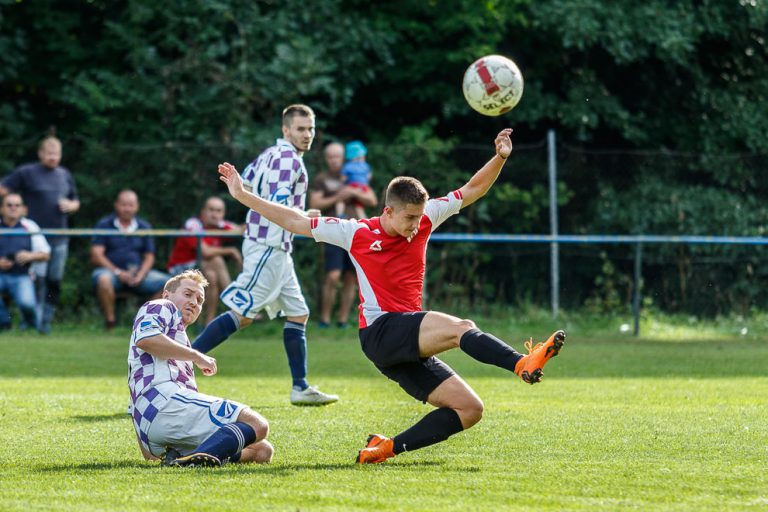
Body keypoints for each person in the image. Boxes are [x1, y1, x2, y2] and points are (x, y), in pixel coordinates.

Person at [217, 128, 566, 464]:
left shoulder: (427, 216)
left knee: (470, 410)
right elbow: (294, 221)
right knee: (461, 328)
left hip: (403, 342)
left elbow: (473, 189)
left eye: (419, 217)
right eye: (409, 218)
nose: (415, 226)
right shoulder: (356, 233)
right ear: (388, 211)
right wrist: (242, 195)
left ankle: (385, 448)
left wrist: (500, 158)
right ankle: (523, 364)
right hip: (381, 332)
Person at [192, 104, 338, 406]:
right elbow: (276, 202)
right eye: (301, 129)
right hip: (268, 248)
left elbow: (245, 185)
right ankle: (174, 370)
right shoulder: (289, 161)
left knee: (299, 313)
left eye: (310, 128)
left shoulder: (269, 154)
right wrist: (304, 218)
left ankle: (300, 387)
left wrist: (300, 214)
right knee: (242, 315)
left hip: (276, 249)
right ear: (286, 130)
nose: (307, 134)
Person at [129, 269, 274, 467]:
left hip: (156, 423)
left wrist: (149, 442)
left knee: (261, 450)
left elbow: (134, 405)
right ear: (167, 294)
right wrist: (197, 356)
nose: (194, 302)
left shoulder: (179, 343)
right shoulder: (161, 306)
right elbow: (146, 339)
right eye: (187, 294)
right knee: (257, 424)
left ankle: (183, 459)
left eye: (199, 300)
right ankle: (192, 462)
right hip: (164, 404)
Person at [0, 136, 80, 334]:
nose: (53, 157)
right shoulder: (27, 172)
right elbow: (3, 188)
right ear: (40, 153)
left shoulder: (64, 174)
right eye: (49, 153)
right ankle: (32, 322)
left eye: (57, 154)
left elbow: (75, 201)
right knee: (38, 280)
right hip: (34, 237)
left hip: (59, 238)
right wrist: (14, 208)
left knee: (54, 281)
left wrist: (71, 205)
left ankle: (46, 321)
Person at [309, 142, 377, 328]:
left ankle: (343, 320)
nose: (334, 160)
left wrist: (354, 191)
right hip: (333, 232)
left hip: (356, 232)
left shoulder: (356, 175)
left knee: (351, 277)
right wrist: (339, 196)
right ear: (326, 159)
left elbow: (372, 199)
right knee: (333, 276)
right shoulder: (322, 179)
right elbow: (315, 202)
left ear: (344, 158)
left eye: (337, 156)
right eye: (330, 157)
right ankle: (324, 319)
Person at [91, 189, 170, 330]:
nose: (127, 209)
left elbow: (150, 256)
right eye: (124, 205)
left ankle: (144, 319)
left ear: (137, 206)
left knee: (169, 284)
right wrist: (117, 272)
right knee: (103, 279)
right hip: (111, 273)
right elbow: (96, 255)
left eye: (131, 205)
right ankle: (110, 322)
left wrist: (140, 275)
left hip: (138, 274)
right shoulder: (104, 224)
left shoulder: (144, 226)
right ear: (116, 205)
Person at [167, 196, 243, 324]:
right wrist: (231, 251)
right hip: (179, 267)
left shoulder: (221, 225)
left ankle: (208, 322)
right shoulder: (193, 224)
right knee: (217, 260)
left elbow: (243, 229)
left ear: (223, 214)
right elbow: (206, 252)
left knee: (212, 276)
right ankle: (235, 304)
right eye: (211, 210)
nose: (215, 214)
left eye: (219, 211)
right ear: (203, 212)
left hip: (202, 268)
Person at [0, 193, 50, 331]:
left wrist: (30, 256)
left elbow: (46, 254)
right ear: (1, 208)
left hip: (22, 276)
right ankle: (5, 323)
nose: (13, 208)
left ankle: (33, 327)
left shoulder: (30, 227)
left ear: (23, 209)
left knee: (27, 304)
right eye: (9, 205)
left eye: (17, 205)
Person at [337, 140, 372, 220]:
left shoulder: (348, 166)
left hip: (352, 185)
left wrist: (342, 185)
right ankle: (365, 221)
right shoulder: (366, 166)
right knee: (359, 206)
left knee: (340, 200)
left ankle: (340, 215)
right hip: (363, 187)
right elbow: (369, 176)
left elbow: (343, 178)